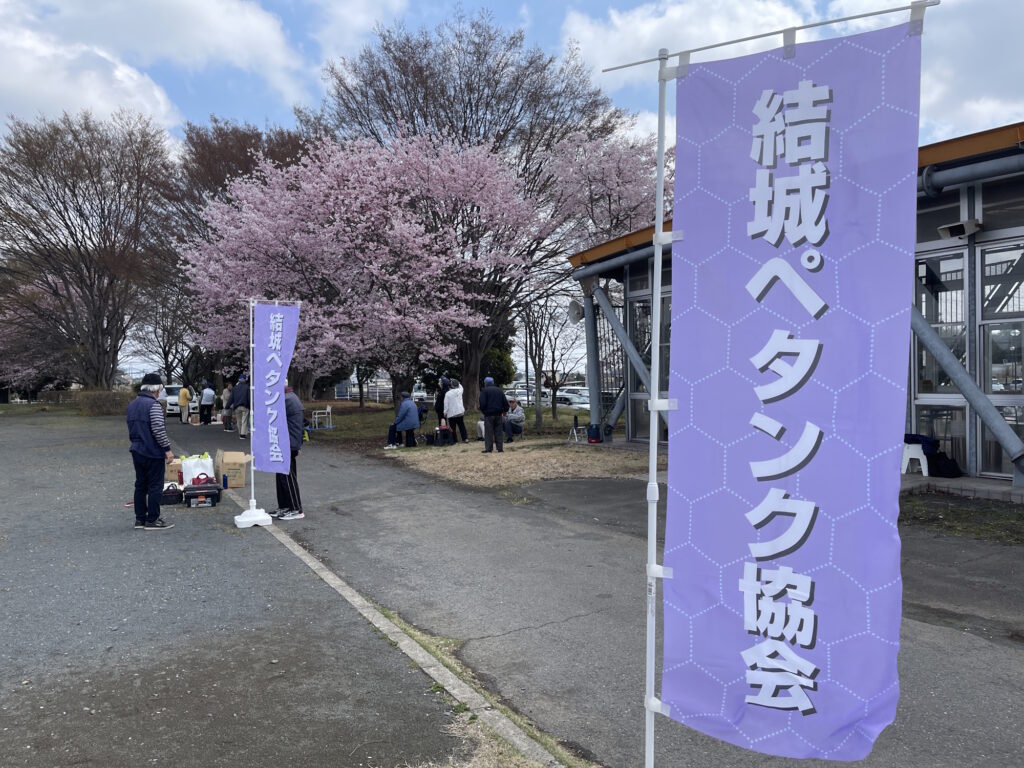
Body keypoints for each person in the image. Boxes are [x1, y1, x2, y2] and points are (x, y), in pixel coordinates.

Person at [126, 373, 175, 530]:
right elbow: (158, 430)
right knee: (155, 485)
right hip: (152, 451)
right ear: (157, 389)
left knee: (141, 485)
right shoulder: (153, 405)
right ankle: (153, 519)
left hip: (136, 449)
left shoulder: (132, 405)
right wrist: (167, 449)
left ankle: (140, 519)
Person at [271, 382, 305, 521]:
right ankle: (285, 506)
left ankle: (296, 508)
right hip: (289, 441)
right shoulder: (291, 397)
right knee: (282, 476)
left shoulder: (286, 399)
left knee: (287, 476)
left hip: (287, 443)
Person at [478, 376, 509, 453]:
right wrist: (505, 410)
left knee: (489, 432)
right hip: (498, 414)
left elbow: (482, 403)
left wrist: (484, 411)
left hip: (488, 414)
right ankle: (500, 448)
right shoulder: (499, 390)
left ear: (485, 383)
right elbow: (505, 402)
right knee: (498, 431)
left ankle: (489, 449)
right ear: (493, 382)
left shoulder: (484, 391)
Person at [443, 378, 468, 443]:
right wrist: (457, 381)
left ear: (451, 385)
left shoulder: (448, 393)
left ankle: (455, 440)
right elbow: (461, 387)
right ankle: (465, 438)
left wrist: (445, 412)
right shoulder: (460, 391)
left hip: (452, 413)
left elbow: (446, 404)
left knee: (453, 427)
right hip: (460, 412)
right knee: (461, 425)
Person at [229, 374, 250, 440]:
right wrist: (251, 406)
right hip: (245, 406)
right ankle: (243, 434)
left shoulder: (235, 388)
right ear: (245, 380)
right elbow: (249, 397)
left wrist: (227, 406)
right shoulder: (247, 387)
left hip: (237, 407)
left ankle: (240, 432)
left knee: (238, 420)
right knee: (244, 420)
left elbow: (231, 398)